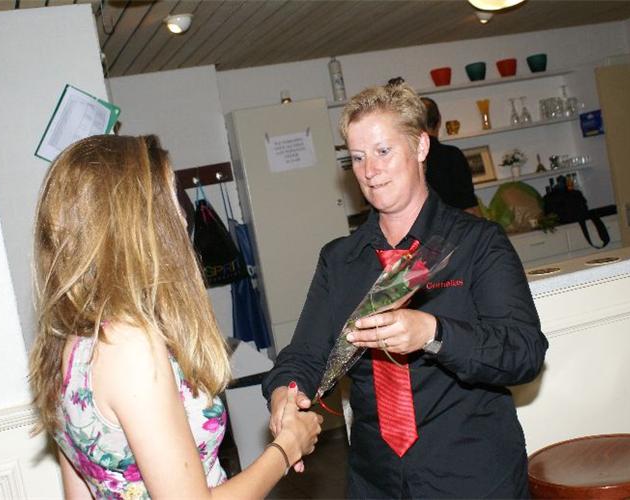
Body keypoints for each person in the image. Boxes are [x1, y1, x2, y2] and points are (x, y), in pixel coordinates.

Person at [262, 84, 548, 498]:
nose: (369, 171)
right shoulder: (340, 261)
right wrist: (284, 397)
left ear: (420, 147)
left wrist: (434, 333)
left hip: (473, 476)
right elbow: (305, 355)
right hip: (376, 482)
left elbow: (524, 352)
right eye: (357, 157)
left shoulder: (476, 242)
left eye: (383, 151)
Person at [28, 134, 322, 498]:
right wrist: (287, 446)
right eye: (170, 199)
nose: (183, 220)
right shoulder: (129, 345)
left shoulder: (69, 344)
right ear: (134, 222)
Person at [421, 97, 482, 217]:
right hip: (455, 223)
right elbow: (469, 205)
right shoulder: (452, 155)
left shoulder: (409, 159)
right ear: (439, 120)